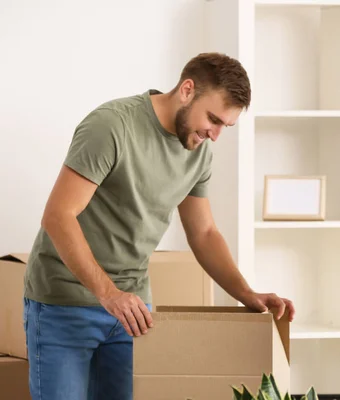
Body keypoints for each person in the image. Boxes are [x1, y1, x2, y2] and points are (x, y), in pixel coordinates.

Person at [22, 52, 295, 400]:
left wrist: (246, 293)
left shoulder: (198, 150)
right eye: (213, 119)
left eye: (225, 125)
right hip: (64, 302)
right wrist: (108, 294)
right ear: (186, 90)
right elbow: (58, 216)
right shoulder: (111, 126)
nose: (215, 135)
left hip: (133, 311)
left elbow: (204, 233)